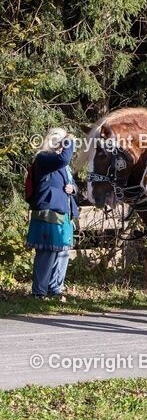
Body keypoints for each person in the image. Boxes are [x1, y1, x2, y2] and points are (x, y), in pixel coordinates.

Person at [26, 128, 78, 300]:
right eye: (61, 140)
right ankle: (39, 292)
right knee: (47, 253)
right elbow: (64, 158)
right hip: (48, 212)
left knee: (63, 253)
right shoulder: (44, 158)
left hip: (64, 213)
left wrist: (73, 189)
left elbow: (72, 184)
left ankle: (55, 290)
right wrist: (70, 139)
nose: (63, 145)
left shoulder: (62, 165)